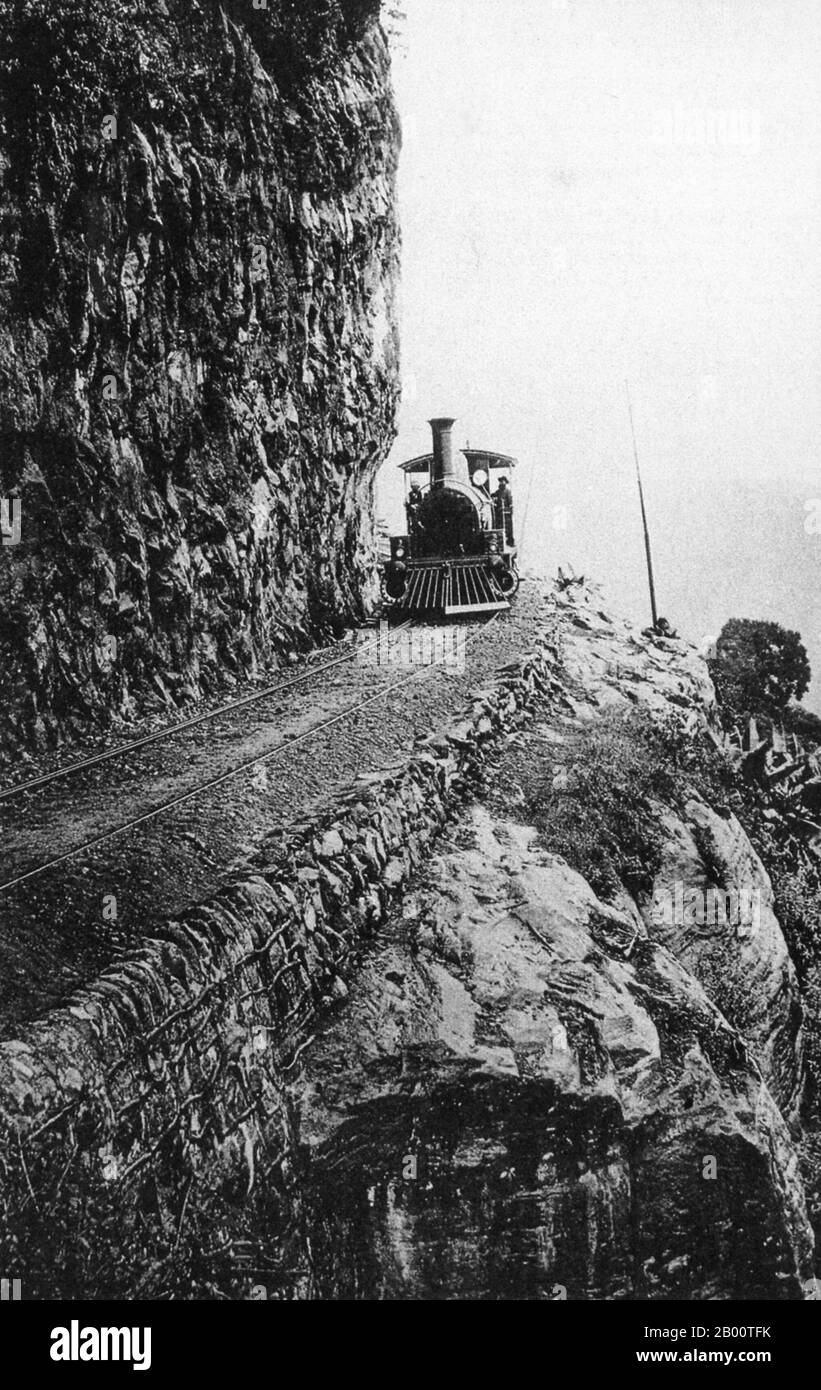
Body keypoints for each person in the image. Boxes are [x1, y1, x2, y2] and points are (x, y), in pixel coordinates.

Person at [492, 475, 514, 545]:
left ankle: (510, 542)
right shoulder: (498, 492)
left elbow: (510, 502)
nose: (502, 483)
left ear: (505, 482)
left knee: (508, 528)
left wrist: (509, 509)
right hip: (499, 513)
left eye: (503, 481)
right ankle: (500, 542)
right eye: (501, 481)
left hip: (506, 513)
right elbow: (493, 496)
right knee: (499, 527)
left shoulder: (508, 492)